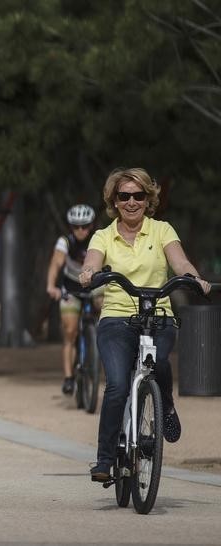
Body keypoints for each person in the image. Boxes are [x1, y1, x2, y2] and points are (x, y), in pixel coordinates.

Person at [78, 168, 211, 483]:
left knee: (158, 361)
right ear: (114, 200)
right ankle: (104, 459)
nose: (132, 202)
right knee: (117, 386)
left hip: (158, 315)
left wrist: (193, 278)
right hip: (117, 318)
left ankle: (164, 405)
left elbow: (179, 263)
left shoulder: (162, 230)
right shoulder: (102, 235)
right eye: (124, 196)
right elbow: (93, 262)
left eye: (139, 195)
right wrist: (88, 273)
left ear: (148, 198)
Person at [45, 204, 97, 395]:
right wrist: (51, 286)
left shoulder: (98, 240)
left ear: (91, 226)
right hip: (71, 288)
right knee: (70, 330)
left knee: (105, 303)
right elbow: (55, 264)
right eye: (76, 226)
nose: (81, 230)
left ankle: (98, 338)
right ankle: (68, 377)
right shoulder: (64, 242)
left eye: (84, 226)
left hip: (94, 287)